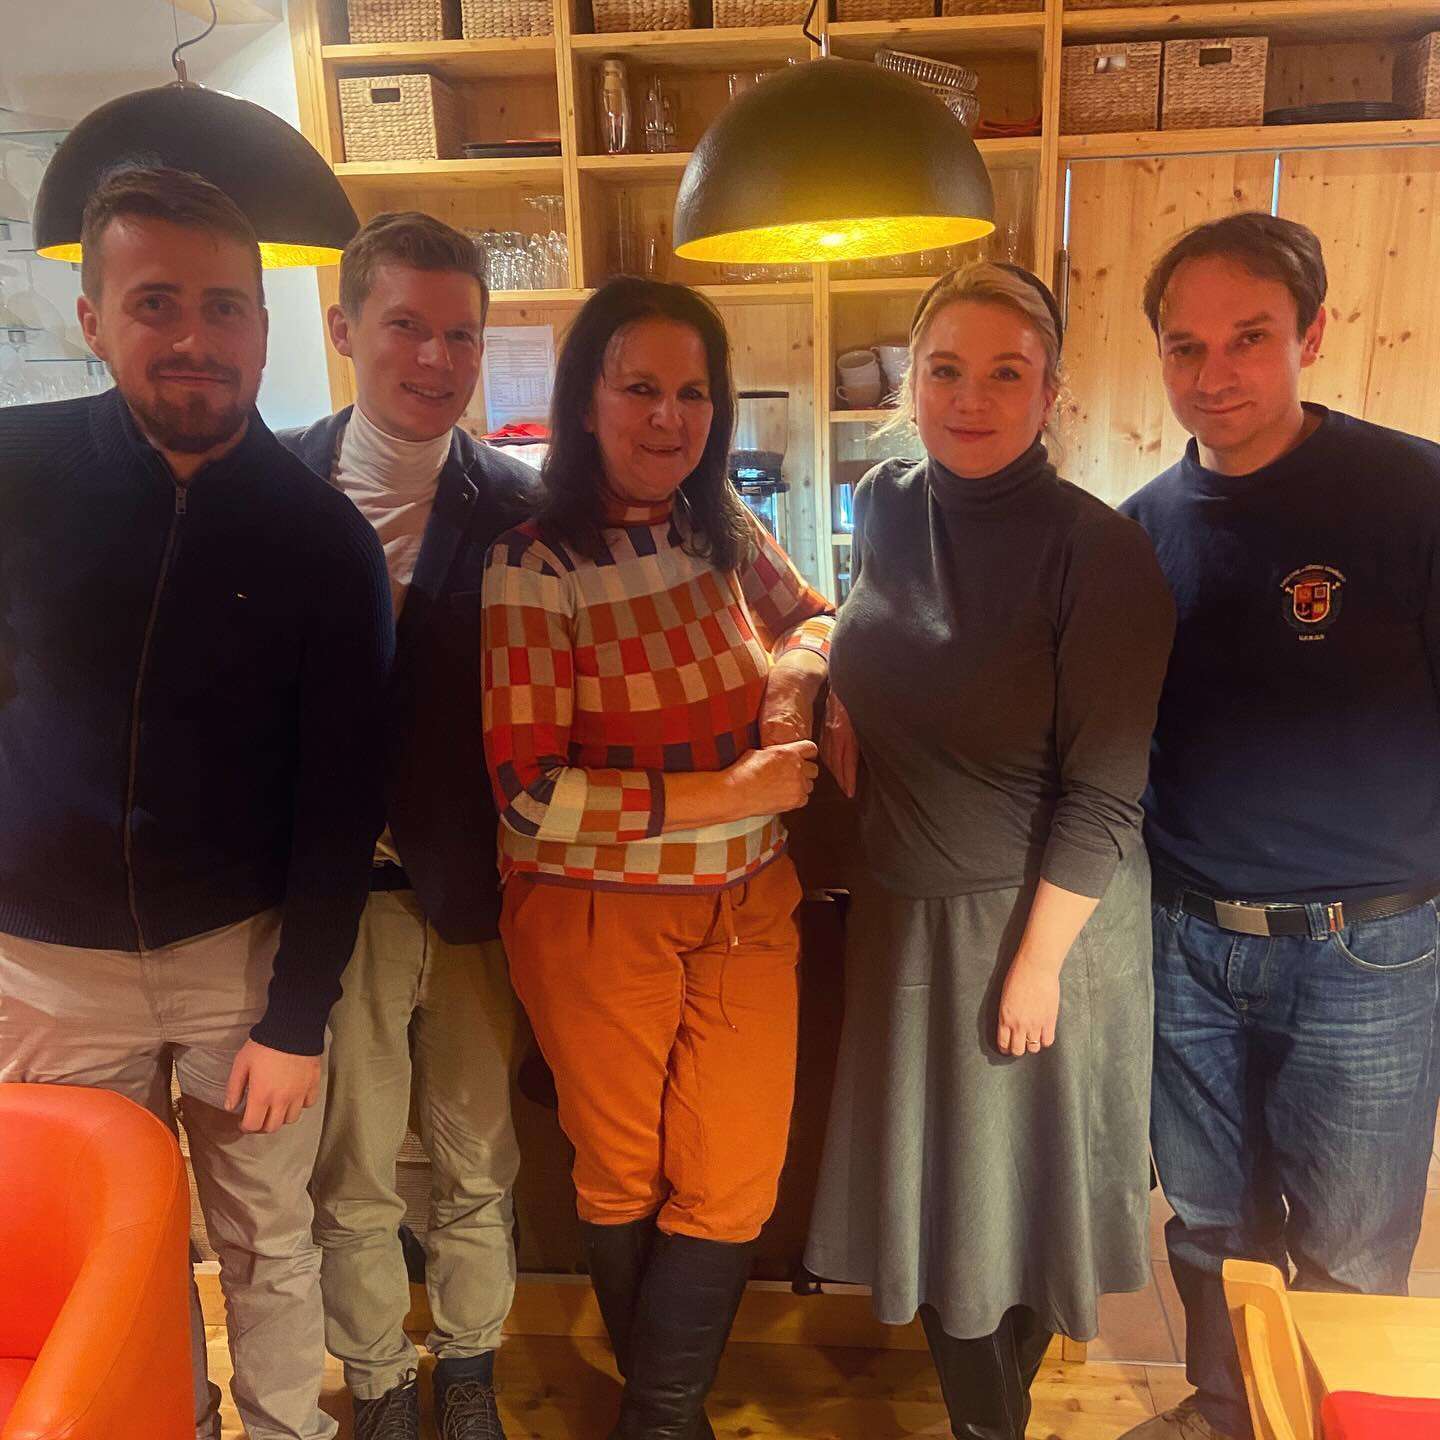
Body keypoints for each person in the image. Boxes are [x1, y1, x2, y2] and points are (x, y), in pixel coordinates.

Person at [0, 167, 391, 1440]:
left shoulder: (322, 538)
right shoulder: (12, 475)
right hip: (44, 970)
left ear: (263, 330)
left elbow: (342, 799)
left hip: (240, 961)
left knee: (270, 1237)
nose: (194, 337)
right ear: (92, 315)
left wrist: (299, 1013)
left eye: (224, 307)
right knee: (113, 1250)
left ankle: (286, 1430)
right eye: (155, 301)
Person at [805, 261, 1175, 1440]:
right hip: (905, 913)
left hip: (1041, 922)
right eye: (946, 370)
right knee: (942, 1210)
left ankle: (988, 1427)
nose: (971, 398)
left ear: (1050, 393)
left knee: (1019, 1213)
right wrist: (826, 693)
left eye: (1005, 374)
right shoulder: (885, 501)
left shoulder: (1098, 552)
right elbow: (866, 632)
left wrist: (1036, 965)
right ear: (910, 384)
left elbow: (1106, 793)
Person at [481, 276, 832, 1438]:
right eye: (640, 389)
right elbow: (530, 799)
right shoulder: (535, 563)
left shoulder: (719, 525)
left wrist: (792, 676)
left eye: (693, 392)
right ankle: (668, 1422)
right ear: (585, 400)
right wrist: (731, 791)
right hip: (595, 915)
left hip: (747, 903)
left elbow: (816, 615)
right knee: (624, 1174)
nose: (669, 417)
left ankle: (653, 1420)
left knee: (735, 1179)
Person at [1115, 212, 1440, 1440]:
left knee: (1352, 1249)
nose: (1214, 375)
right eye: (1185, 347)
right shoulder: (1142, 530)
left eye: (1248, 338)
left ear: (1312, 334)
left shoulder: (1413, 493)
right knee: (1208, 1225)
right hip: (1187, 939)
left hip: (1372, 948)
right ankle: (1221, 1411)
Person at [279, 212, 536, 1440]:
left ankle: (470, 1369)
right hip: (326, 909)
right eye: (406, 327)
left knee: (481, 1157)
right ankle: (380, 1380)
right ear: (343, 330)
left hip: (478, 896)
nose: (436, 359)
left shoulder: (527, 505)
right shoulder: (269, 492)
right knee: (354, 1169)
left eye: (461, 335)